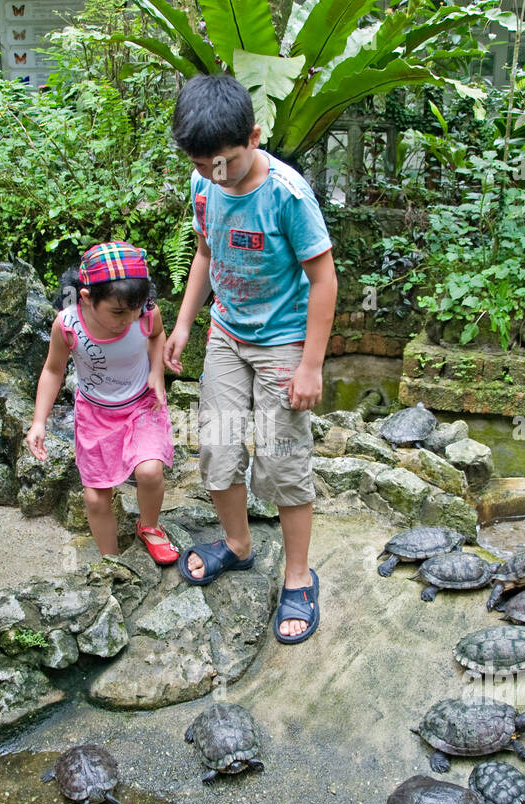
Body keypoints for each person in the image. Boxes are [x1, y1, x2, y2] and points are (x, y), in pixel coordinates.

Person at [162, 74, 338, 645]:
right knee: (216, 447)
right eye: (203, 163)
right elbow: (205, 253)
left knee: (283, 460)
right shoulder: (204, 183)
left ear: (254, 137)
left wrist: (311, 364)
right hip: (227, 335)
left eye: (228, 162)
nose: (217, 174)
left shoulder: (287, 194)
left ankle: (296, 577)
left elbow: (324, 278)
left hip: (284, 342)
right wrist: (185, 323)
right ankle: (238, 545)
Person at [26, 242, 178, 564]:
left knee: (150, 472)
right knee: (95, 498)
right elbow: (53, 370)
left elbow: (157, 337)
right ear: (86, 298)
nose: (130, 319)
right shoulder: (68, 326)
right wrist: (39, 421)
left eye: (136, 309)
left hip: (141, 405)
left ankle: (149, 526)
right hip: (96, 415)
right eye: (119, 312)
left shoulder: (146, 313)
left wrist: (156, 372)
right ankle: (110, 559)